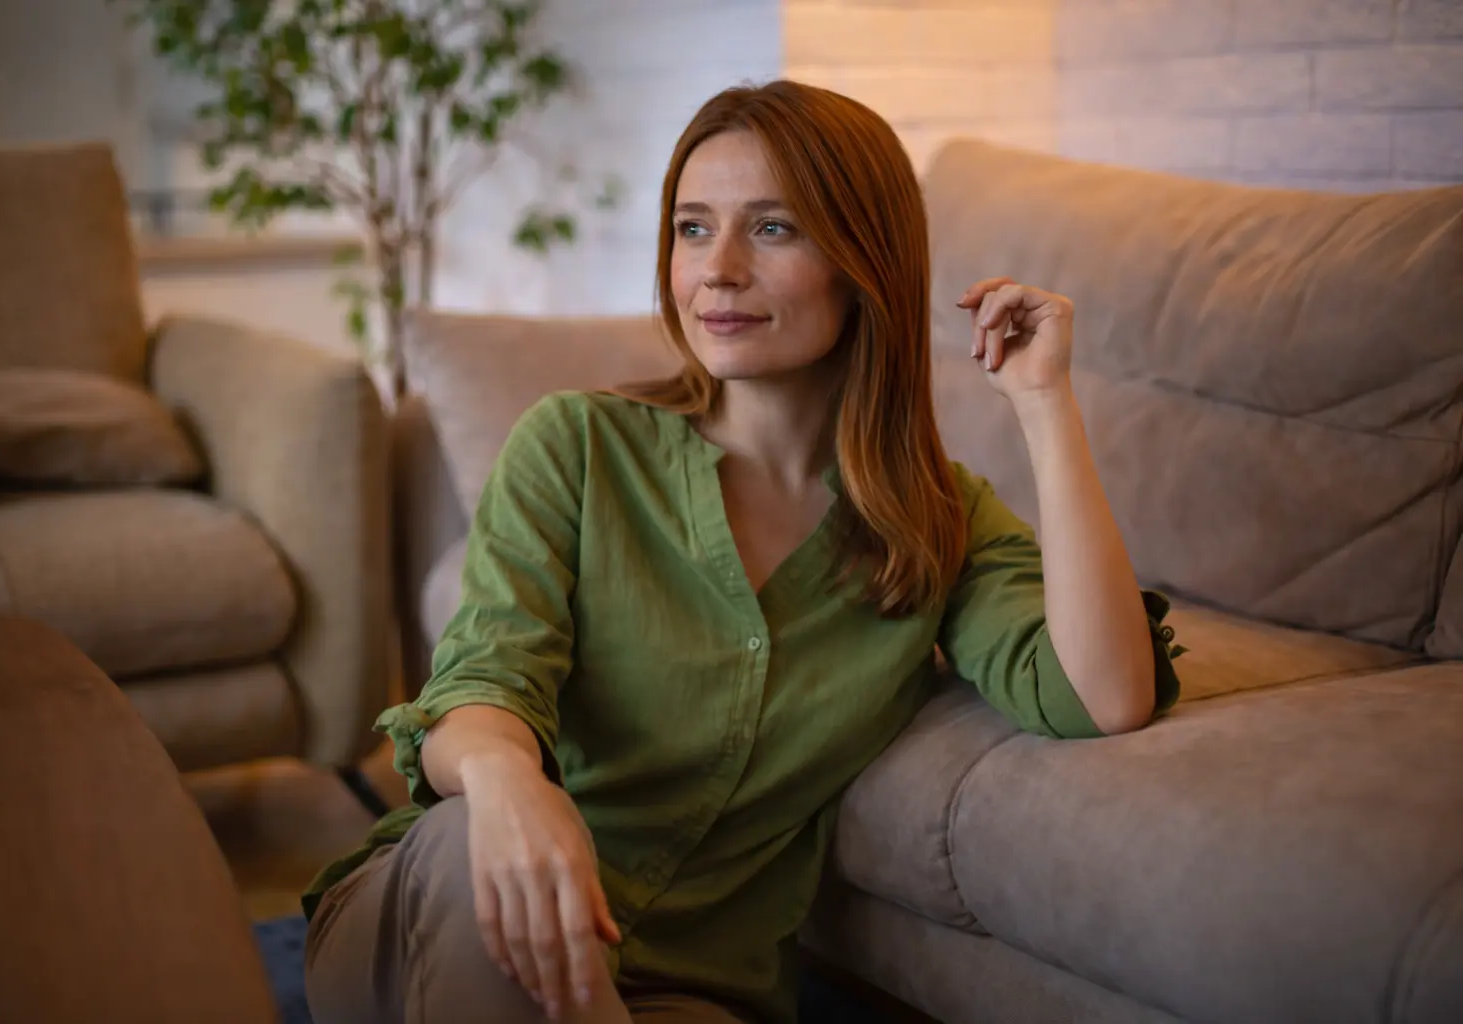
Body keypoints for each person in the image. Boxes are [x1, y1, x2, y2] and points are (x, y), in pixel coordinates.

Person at [301, 79, 1182, 1024]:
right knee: (482, 869)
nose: (715, 269)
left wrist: (1047, 407)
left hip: (688, 989)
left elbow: (1103, 694)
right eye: (691, 228)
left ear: (862, 262)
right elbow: (482, 685)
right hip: (450, 909)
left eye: (772, 229)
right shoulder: (578, 445)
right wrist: (510, 787)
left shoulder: (933, 520)